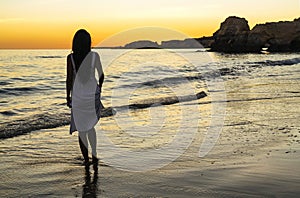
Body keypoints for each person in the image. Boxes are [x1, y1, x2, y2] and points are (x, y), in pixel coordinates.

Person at [66, 29, 104, 166]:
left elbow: (69, 79)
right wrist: (99, 88)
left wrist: (67, 96)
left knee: (82, 130)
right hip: (92, 95)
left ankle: (86, 160)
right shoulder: (94, 56)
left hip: (78, 97)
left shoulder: (70, 58)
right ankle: (94, 155)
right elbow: (101, 75)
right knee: (90, 127)